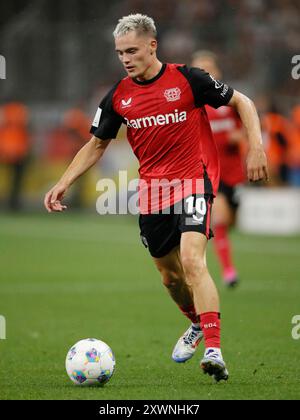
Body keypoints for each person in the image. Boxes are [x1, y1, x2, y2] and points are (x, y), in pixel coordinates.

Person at [44, 14, 268, 382]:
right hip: (153, 192)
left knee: (194, 261)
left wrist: (256, 148)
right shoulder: (118, 96)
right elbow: (97, 143)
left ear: (152, 45)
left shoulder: (189, 79)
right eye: (119, 53)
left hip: (195, 180)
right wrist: (63, 181)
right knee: (170, 278)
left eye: (132, 50)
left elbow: (242, 102)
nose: (126, 59)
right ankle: (195, 322)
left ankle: (214, 349)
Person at [191, 51, 246, 287]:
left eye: (209, 68)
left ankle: (218, 246)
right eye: (200, 69)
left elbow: (248, 125)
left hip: (234, 172)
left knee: (230, 221)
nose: (205, 73)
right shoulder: (192, 104)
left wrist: (241, 136)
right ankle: (229, 272)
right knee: (220, 219)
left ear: (218, 72)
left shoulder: (230, 101)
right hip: (208, 171)